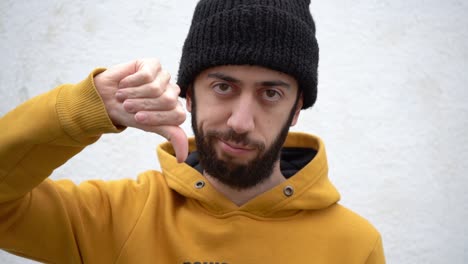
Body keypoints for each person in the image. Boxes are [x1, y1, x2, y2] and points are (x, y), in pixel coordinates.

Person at [0, 0, 385, 263]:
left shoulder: (354, 245)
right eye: (223, 87)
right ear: (187, 94)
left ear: (297, 108)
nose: (240, 121)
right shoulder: (114, 216)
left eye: (270, 93)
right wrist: (84, 108)